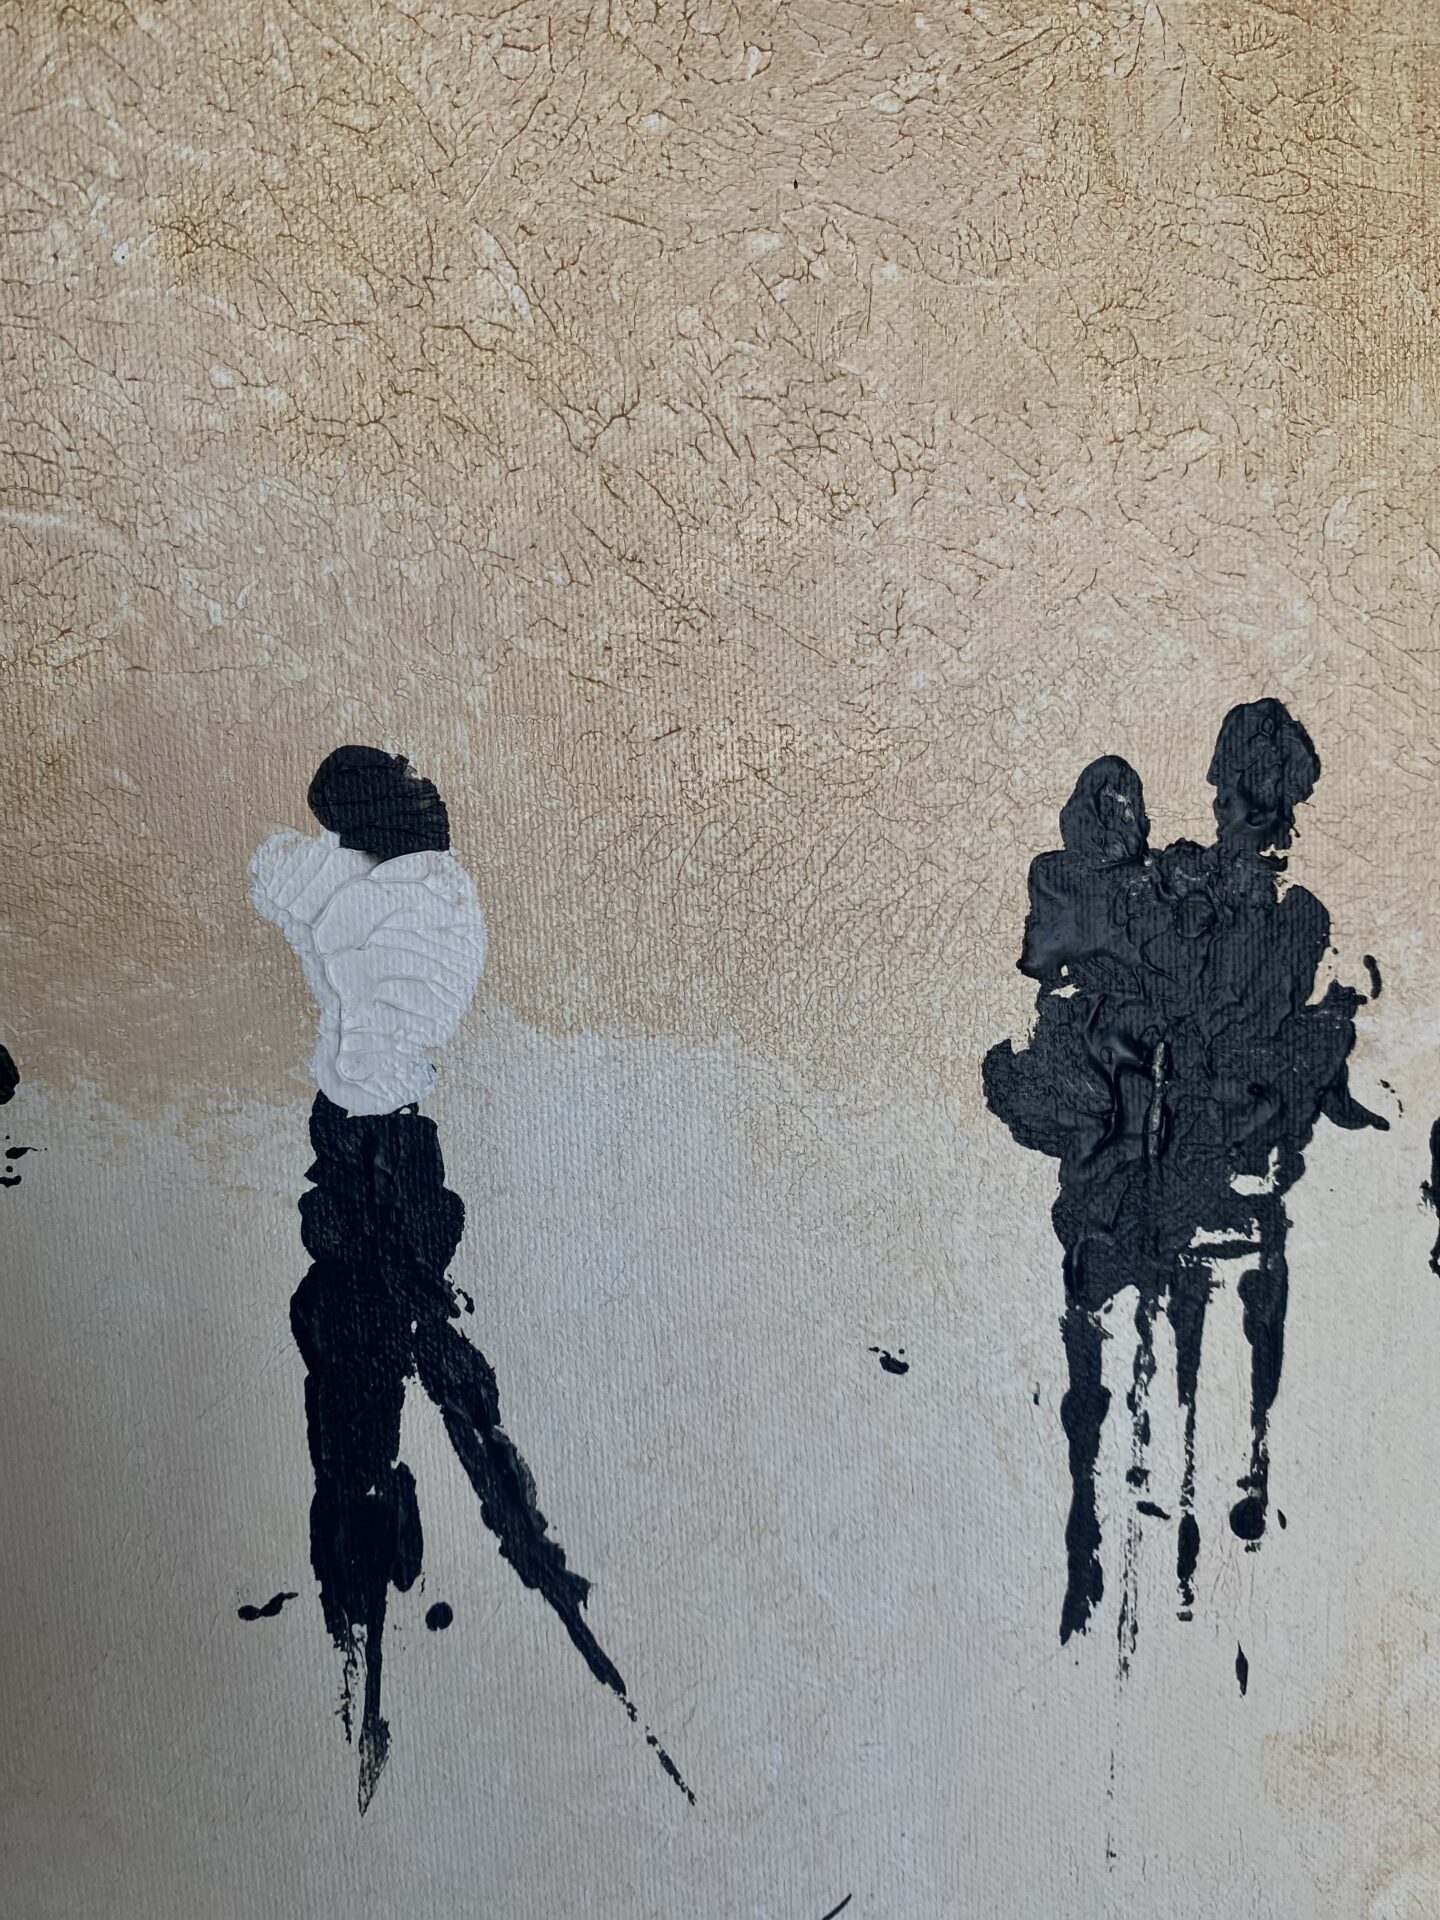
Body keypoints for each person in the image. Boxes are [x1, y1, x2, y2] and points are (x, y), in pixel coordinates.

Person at [985, 703, 1385, 1645]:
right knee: (1130, 1342)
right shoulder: (1190, 900)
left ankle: (1141, 1533)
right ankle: (1128, 1534)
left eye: (1240, 788)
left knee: (1140, 1344)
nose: (1222, 796)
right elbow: (1082, 988)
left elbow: (1250, 1045)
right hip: (1157, 1177)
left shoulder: (1264, 915)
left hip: (1190, 1176)